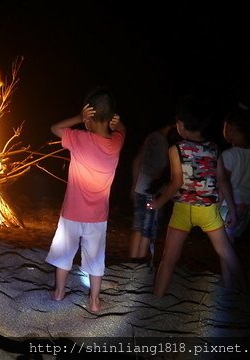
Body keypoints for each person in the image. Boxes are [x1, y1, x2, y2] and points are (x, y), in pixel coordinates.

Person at [149, 95, 247, 297]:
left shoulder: (176, 149)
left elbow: (177, 182)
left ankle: (157, 297)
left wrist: (159, 203)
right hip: (208, 210)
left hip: (183, 210)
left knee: (169, 258)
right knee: (226, 252)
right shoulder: (214, 149)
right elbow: (223, 180)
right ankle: (246, 290)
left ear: (181, 125)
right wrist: (233, 209)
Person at [45, 87, 126, 312]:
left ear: (88, 120)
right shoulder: (116, 143)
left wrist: (78, 118)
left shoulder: (79, 139)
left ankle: (59, 293)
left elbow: (55, 128)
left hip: (71, 213)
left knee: (64, 256)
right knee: (95, 260)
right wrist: (116, 123)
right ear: (109, 119)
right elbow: (123, 130)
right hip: (98, 217)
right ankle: (94, 301)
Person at [219, 103, 250, 244]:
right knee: (229, 244)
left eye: (224, 127)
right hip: (247, 208)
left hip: (229, 206)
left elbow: (223, 182)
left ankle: (230, 267)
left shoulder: (229, 155)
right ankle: (229, 266)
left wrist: (215, 205)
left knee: (224, 246)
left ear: (231, 128)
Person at [129, 120, 174, 265]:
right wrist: (163, 192)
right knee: (147, 228)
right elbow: (158, 173)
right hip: (152, 191)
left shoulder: (150, 137)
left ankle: (132, 261)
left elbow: (136, 161)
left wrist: (134, 185)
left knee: (137, 226)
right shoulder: (164, 144)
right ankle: (139, 262)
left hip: (139, 187)